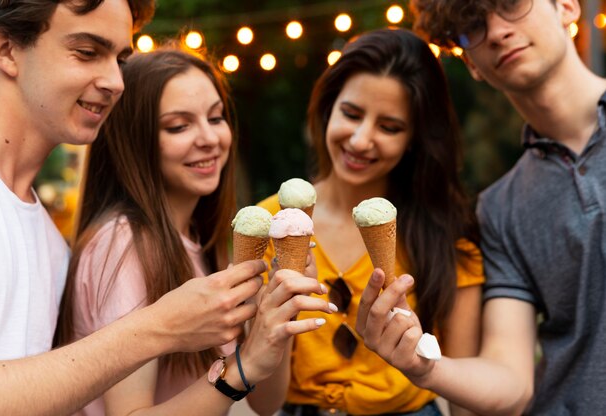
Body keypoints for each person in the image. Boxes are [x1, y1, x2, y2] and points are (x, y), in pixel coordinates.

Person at [0, 1, 268, 414]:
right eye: (87, 52)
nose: (116, 81)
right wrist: (160, 327)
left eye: (120, 58)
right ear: (7, 49)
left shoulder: (49, 241)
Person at [357, 0, 606, 414]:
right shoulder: (499, 210)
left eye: (511, 4)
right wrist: (424, 366)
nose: (496, 31)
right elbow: (512, 380)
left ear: (566, 6)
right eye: (472, 26)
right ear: (471, 63)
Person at [55, 45, 331, 416]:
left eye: (216, 118)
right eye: (179, 125)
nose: (209, 138)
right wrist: (240, 369)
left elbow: (266, 403)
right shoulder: (125, 245)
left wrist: (279, 317)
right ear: (135, 140)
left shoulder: (201, 241)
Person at [258, 28, 484, 416]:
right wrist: (283, 314)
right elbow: (264, 404)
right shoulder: (272, 225)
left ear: (415, 137)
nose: (362, 140)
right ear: (328, 109)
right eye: (351, 113)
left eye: (390, 127)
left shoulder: (446, 234)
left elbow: (466, 399)